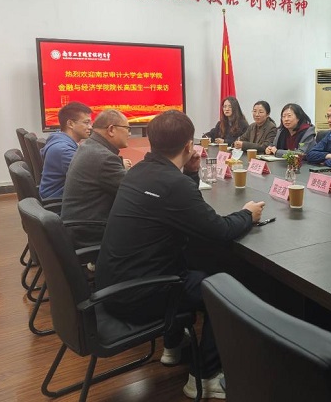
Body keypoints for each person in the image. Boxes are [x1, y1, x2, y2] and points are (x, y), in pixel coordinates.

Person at [95, 110, 265, 400]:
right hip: (140, 295)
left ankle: (173, 347)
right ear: (189, 145)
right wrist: (247, 214)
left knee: (194, 263)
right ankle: (205, 377)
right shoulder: (173, 185)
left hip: (113, 284)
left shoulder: (139, 171)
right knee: (224, 291)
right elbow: (220, 230)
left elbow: (183, 210)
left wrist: (191, 173)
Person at [60, 109, 133, 246]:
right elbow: (134, 192)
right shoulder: (103, 157)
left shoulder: (89, 146)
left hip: (78, 226)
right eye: (127, 129)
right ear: (111, 130)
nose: (129, 133)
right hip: (88, 232)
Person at [39, 102, 93, 199]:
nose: (90, 127)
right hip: (58, 202)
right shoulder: (63, 150)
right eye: (86, 122)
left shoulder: (61, 141)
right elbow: (91, 176)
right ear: (70, 124)